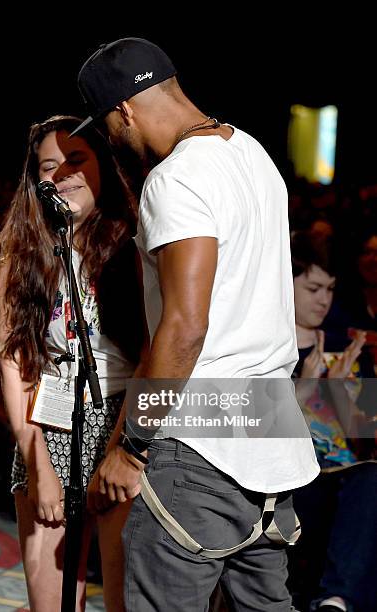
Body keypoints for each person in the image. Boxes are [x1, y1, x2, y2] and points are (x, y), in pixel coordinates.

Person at [73, 37, 320, 611]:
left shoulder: (176, 178)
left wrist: (130, 447)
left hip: (201, 436)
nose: (113, 139)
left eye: (109, 126)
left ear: (125, 111)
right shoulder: (254, 154)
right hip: (269, 428)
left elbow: (185, 328)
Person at [0, 115, 144, 612]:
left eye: (75, 160)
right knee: (53, 602)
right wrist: (38, 461)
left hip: (123, 420)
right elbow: (13, 363)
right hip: (47, 423)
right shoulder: (21, 252)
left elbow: (155, 352)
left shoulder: (134, 245)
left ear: (103, 165)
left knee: (124, 596)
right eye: (49, 166)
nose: (61, 175)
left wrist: (126, 445)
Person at [289, 231, 377, 612]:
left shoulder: (346, 347)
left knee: (370, 480)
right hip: (290, 484)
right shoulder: (262, 350)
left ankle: (334, 601)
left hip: (345, 486)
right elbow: (247, 431)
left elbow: (368, 443)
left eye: (330, 288)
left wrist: (341, 396)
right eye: (312, 288)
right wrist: (303, 392)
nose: (324, 299)